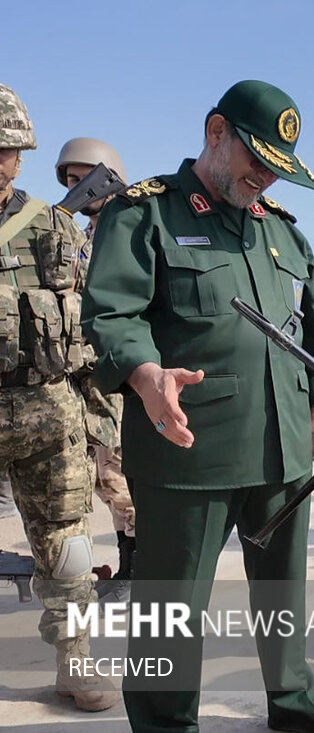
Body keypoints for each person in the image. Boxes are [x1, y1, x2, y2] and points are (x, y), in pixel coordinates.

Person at [82, 79, 314, 733]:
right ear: (215, 133)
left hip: (283, 449)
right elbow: (112, 315)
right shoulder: (143, 216)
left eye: (277, 168)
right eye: (255, 161)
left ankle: (292, 695)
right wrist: (146, 375)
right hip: (188, 447)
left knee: (284, 591)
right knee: (172, 605)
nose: (262, 179)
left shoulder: (283, 230)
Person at [0, 84, 116, 713]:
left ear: (20, 156)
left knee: (67, 546)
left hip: (48, 415)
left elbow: (94, 324)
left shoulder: (54, 227)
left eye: (5, 149)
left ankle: (75, 660)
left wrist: (103, 422)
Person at [55, 137, 137, 601]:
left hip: (120, 376)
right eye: (69, 181)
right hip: (83, 375)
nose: (77, 189)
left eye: (85, 179)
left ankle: (139, 567)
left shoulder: (129, 226)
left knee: (121, 476)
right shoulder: (77, 235)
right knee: (104, 481)